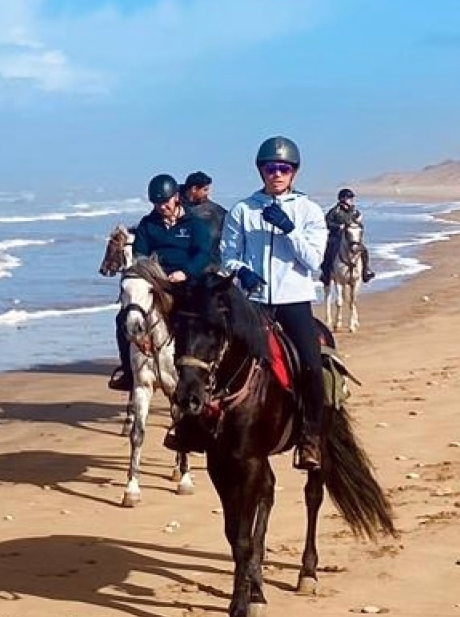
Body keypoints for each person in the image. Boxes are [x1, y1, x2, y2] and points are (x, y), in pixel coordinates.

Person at [217, 136, 329, 466]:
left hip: (294, 300)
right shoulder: (242, 210)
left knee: (310, 364)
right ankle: (196, 425)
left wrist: (290, 231)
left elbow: (314, 261)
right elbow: (228, 256)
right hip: (253, 302)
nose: (277, 174)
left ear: (294, 172)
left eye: (284, 168)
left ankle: (310, 437)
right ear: (260, 171)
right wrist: (241, 273)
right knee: (216, 357)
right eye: (270, 168)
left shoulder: (309, 211)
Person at [110, 174, 209, 387]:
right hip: (156, 282)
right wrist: (154, 276)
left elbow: (202, 253)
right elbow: (140, 256)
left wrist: (186, 272)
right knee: (122, 319)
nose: (161, 207)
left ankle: (204, 369)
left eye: (165, 203)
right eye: (157, 204)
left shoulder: (195, 224)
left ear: (176, 197)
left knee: (201, 316)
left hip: (186, 281)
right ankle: (128, 372)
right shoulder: (148, 224)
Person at [321, 186, 373, 286]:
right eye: (349, 198)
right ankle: (326, 274)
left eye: (351, 199)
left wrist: (358, 224)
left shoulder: (354, 211)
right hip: (336, 237)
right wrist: (338, 226)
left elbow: (360, 225)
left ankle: (365, 271)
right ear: (342, 199)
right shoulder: (334, 211)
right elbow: (327, 222)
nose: (351, 201)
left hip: (351, 238)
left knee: (364, 250)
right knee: (328, 252)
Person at [181, 171, 226, 268]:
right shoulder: (173, 208)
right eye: (205, 190)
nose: (208, 193)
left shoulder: (217, 213)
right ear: (194, 189)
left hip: (211, 267)